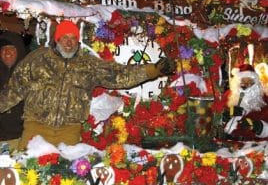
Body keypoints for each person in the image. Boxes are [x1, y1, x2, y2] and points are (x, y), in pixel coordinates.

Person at [0, 20, 176, 150]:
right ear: (57, 39)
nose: (69, 42)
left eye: (73, 38)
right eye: (65, 37)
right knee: (26, 176)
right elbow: (14, 90)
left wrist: (154, 70)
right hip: (35, 128)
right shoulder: (37, 59)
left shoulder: (88, 64)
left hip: (69, 132)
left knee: (65, 180)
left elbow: (120, 75)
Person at [224, 64, 268, 141]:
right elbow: (215, 120)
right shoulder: (227, 96)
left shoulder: (264, 100)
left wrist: (257, 126)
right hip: (226, 143)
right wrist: (226, 115)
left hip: (252, 146)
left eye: (250, 82)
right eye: (243, 82)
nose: (246, 86)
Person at [0, 31, 27, 149]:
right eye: (3, 49)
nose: (7, 52)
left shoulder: (29, 75)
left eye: (12, 48)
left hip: (21, 139)